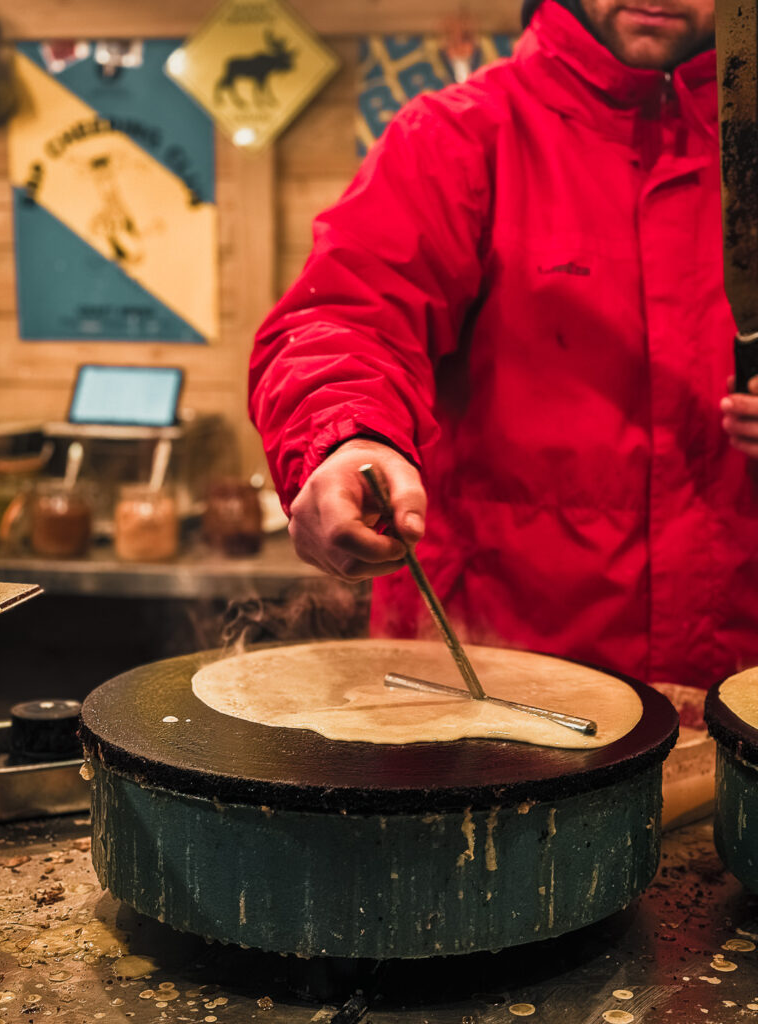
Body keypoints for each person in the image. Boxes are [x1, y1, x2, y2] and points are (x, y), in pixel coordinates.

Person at [249, 0, 758, 690]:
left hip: (740, 699)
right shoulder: (458, 137)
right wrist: (349, 438)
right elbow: (345, 320)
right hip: (489, 701)